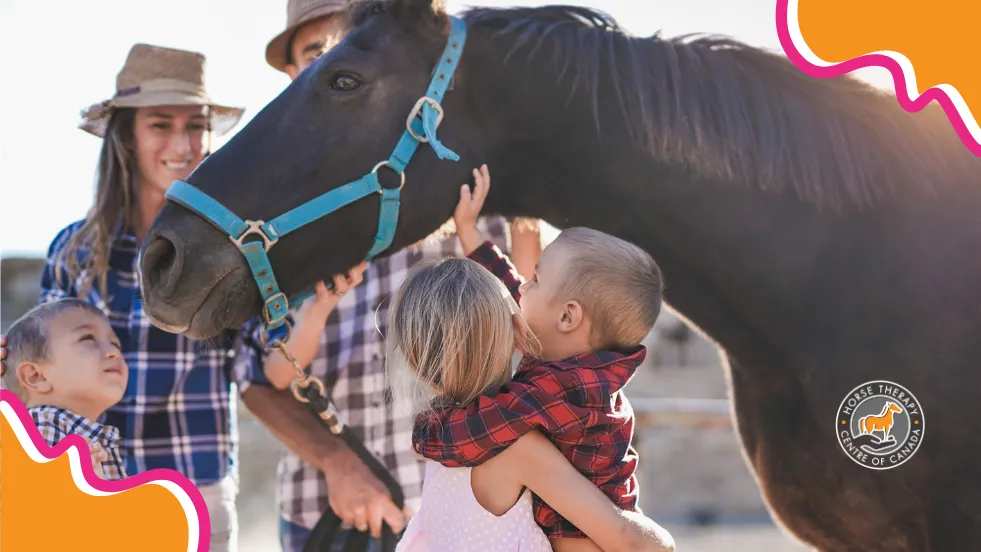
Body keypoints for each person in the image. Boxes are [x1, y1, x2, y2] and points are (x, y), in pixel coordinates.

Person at [0, 42, 349, 552]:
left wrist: (318, 306)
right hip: (87, 489)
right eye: (161, 125)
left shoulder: (238, 250)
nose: (182, 144)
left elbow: (266, 373)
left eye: (195, 125)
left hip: (195, 492)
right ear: (126, 139)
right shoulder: (76, 252)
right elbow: (42, 375)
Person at [235, 2, 544, 551]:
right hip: (330, 512)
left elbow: (528, 315)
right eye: (316, 55)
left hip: (457, 507)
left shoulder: (460, 179)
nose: (335, 64)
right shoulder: (279, 211)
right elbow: (263, 376)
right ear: (294, 79)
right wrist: (337, 463)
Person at [384, 198, 674, 552]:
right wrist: (470, 235)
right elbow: (510, 288)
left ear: (568, 318)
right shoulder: (567, 356)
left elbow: (471, 430)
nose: (521, 288)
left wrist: (424, 434)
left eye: (535, 279)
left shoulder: (557, 389)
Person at [4, 298, 129, 481]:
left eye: (115, 344)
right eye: (88, 338)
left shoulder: (89, 437)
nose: (114, 352)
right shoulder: (41, 426)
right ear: (36, 376)